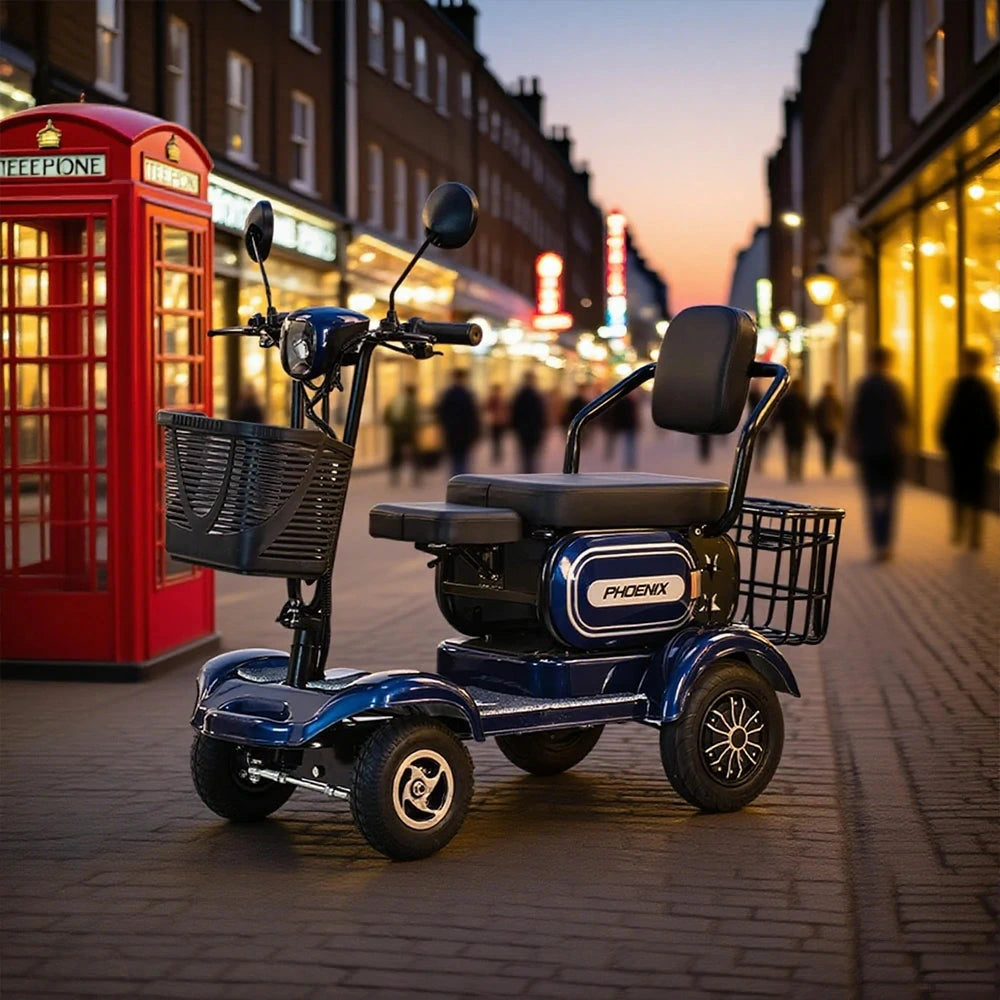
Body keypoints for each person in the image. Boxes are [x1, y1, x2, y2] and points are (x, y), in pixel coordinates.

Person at [847, 345, 909, 562]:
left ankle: (877, 543)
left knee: (873, 497)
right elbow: (904, 417)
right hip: (891, 450)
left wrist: (853, 443)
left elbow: (855, 419)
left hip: (870, 450)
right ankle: (886, 545)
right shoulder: (894, 386)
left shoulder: (864, 386)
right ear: (888, 362)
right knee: (890, 498)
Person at [939, 347, 999, 550]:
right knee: (977, 491)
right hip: (978, 450)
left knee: (959, 488)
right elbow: (992, 422)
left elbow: (947, 420)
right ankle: (974, 533)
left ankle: (959, 528)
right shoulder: (984, 388)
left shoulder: (958, 386)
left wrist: (947, 443)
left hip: (959, 450)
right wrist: (990, 445)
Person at [436, 370, 480, 477]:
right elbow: (473, 415)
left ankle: (456, 478)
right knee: (463, 457)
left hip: (452, 431)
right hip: (464, 432)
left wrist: (445, 427)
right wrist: (475, 432)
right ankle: (462, 478)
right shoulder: (467, 394)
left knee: (455, 457)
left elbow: (441, 412)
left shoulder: (448, 394)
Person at [510, 370, 547, 473]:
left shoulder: (521, 395)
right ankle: (529, 472)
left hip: (525, 430)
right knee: (530, 455)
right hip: (531, 430)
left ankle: (526, 472)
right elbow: (540, 414)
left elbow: (514, 413)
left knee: (526, 455)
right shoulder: (535, 395)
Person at [384, 384, 421, 486]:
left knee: (396, 455)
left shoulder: (396, 400)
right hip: (408, 432)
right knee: (414, 455)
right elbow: (414, 418)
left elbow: (386, 415)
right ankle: (416, 477)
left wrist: (392, 426)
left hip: (396, 431)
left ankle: (394, 477)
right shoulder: (411, 402)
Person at [777, 379, 810, 481]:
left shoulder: (786, 398)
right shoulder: (802, 398)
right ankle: (798, 472)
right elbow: (808, 413)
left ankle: (791, 472)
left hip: (789, 429)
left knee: (790, 451)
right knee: (799, 452)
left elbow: (780, 414)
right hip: (800, 429)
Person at [812, 382, 844, 476]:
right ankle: (828, 464)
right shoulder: (833, 401)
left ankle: (828, 464)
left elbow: (841, 414)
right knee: (828, 448)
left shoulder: (824, 402)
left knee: (828, 448)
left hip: (829, 429)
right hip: (830, 429)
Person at [611, 392, 639, 469]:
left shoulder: (628, 402)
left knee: (629, 445)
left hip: (628, 426)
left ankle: (630, 462)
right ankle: (630, 462)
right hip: (628, 426)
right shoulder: (628, 402)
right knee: (629, 445)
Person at [483, 384, 509, 464]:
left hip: (497, 421)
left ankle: (497, 454)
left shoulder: (499, 398)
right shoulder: (495, 398)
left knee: (497, 439)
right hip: (495, 421)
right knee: (496, 439)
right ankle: (497, 454)